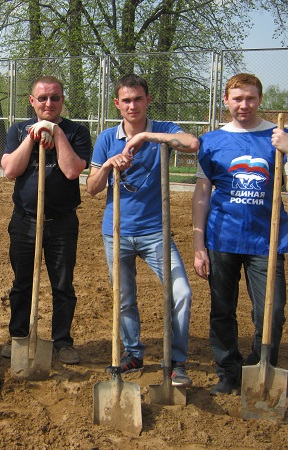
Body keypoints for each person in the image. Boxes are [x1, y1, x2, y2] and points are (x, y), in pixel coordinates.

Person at [86, 73, 199, 386]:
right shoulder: (107, 138)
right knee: (124, 299)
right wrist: (109, 165)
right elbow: (91, 189)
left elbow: (193, 144)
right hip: (117, 231)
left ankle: (176, 361)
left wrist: (146, 138)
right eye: (126, 100)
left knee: (181, 293)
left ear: (148, 100)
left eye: (138, 99)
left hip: (156, 233)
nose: (132, 105)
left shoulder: (163, 130)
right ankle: (133, 352)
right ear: (117, 104)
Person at [193, 73, 288, 395]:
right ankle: (228, 371)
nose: (244, 105)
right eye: (237, 99)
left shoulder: (278, 137)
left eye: (250, 98)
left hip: (267, 241)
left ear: (260, 99)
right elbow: (202, 193)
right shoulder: (211, 141)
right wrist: (198, 244)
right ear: (226, 101)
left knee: (272, 313)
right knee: (222, 309)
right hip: (222, 239)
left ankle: (261, 365)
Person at [0, 76, 91, 365]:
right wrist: (33, 135)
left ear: (63, 100)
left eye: (55, 98)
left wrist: (55, 132)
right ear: (32, 101)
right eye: (42, 98)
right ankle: (19, 336)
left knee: (62, 285)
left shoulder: (77, 131)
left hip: (62, 223)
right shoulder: (16, 130)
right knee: (21, 283)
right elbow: (11, 170)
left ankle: (62, 341)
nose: (48, 103)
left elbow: (72, 170)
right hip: (24, 221)